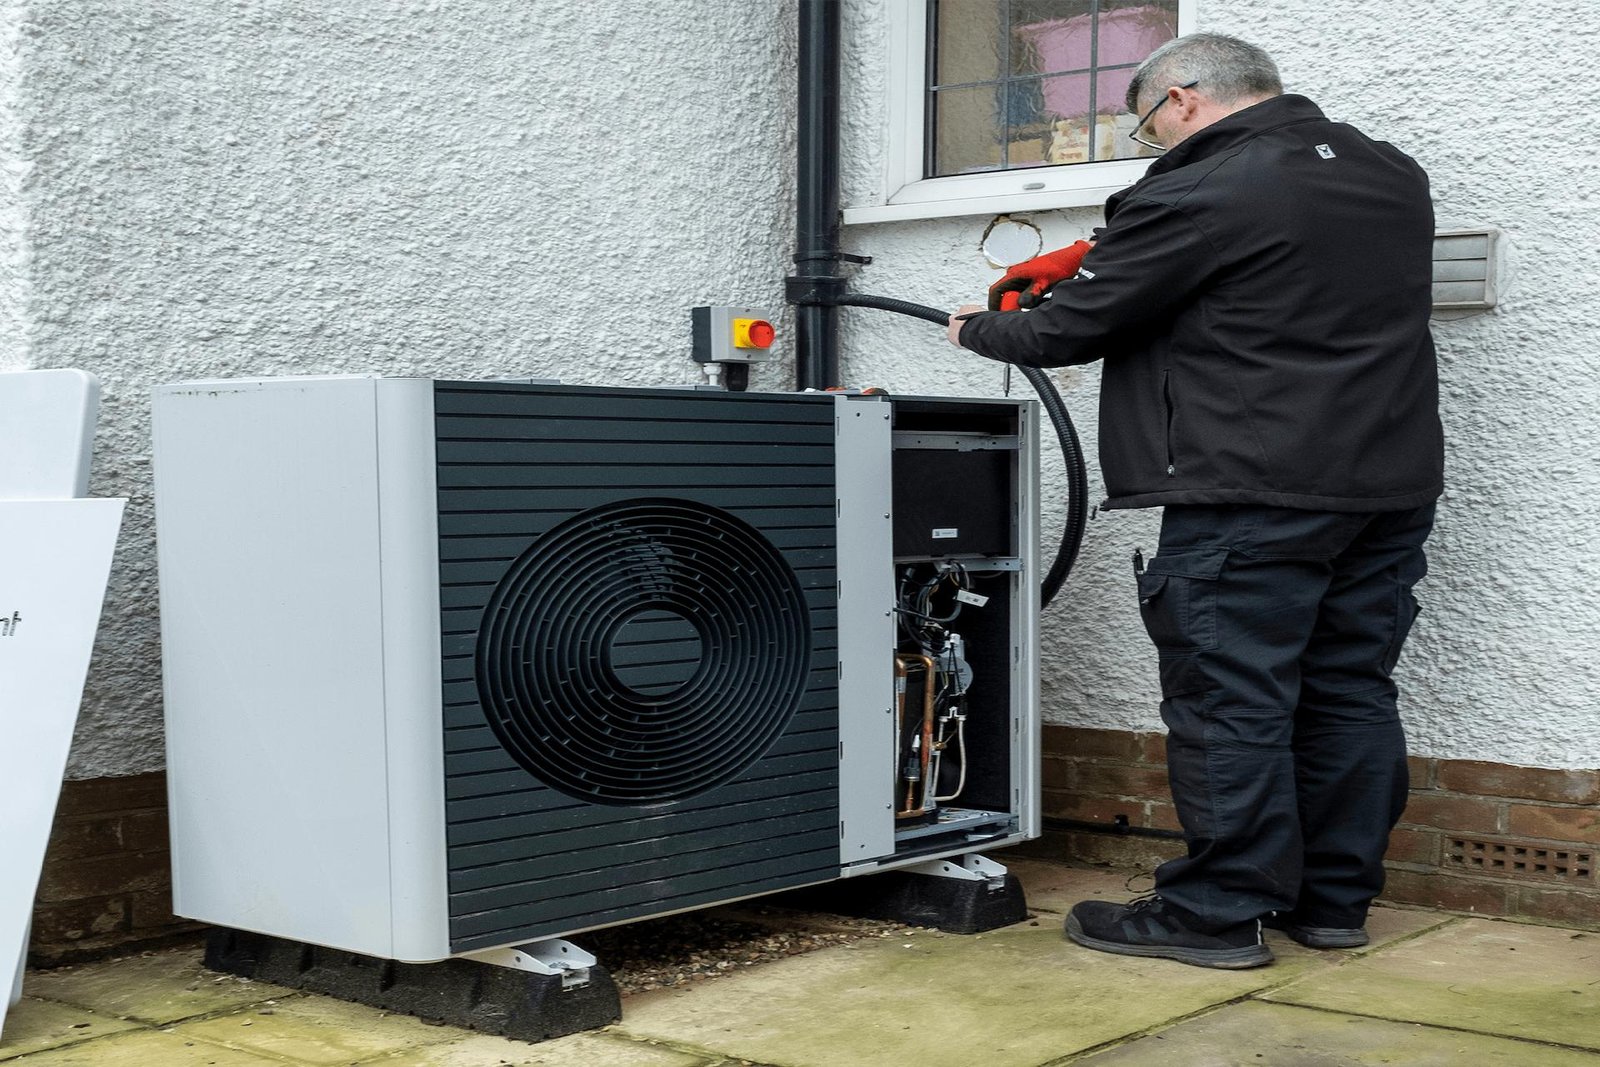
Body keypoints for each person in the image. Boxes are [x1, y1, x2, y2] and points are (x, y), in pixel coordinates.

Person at [948, 33, 1442, 969]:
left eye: (1148, 125)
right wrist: (1096, 250)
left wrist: (979, 329)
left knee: (1229, 700)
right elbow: (1258, 259)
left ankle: (1214, 913)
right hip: (1385, 483)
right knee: (1348, 689)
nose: (1155, 143)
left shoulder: (1200, 188)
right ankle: (1332, 903)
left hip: (1248, 490)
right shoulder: (1386, 171)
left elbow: (1068, 330)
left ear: (1180, 97)